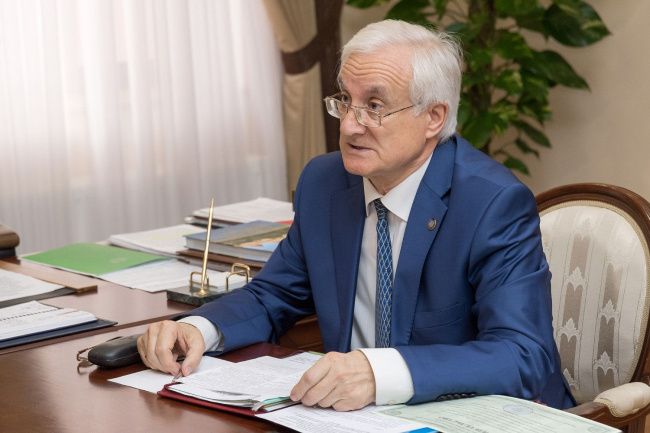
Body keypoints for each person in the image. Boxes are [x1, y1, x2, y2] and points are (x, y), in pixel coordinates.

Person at [137, 20, 576, 412]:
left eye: (375, 106)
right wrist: (200, 328)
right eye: (346, 100)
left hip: (483, 416)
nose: (349, 125)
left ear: (433, 117)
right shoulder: (324, 183)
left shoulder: (491, 203)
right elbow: (274, 295)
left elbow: (523, 355)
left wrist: (378, 373)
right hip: (349, 419)